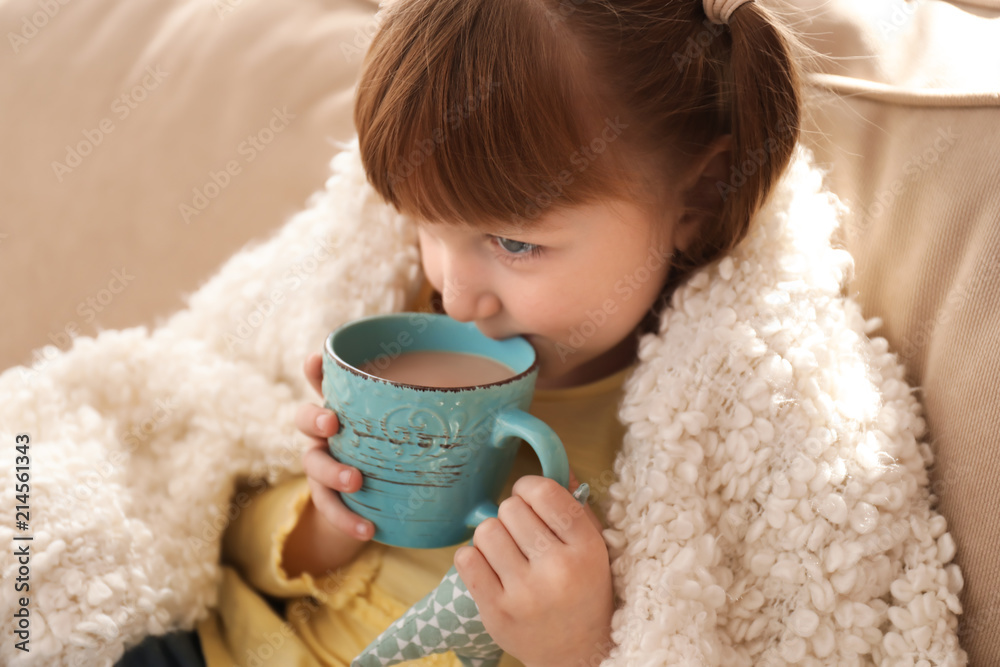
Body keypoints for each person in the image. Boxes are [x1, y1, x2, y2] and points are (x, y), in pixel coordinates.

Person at [122, 0, 962, 665]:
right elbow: (201, 474)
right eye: (422, 224)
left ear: (699, 195)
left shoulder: (762, 419)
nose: (455, 295)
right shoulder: (375, 299)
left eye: (515, 242)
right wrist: (326, 520)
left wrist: (581, 648)